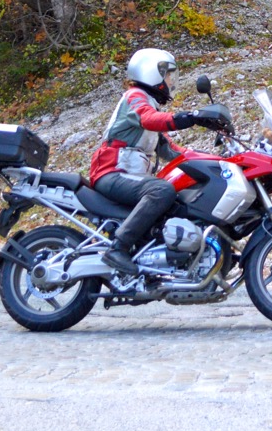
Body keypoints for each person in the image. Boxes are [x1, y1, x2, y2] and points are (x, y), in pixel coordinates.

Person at [88, 48, 225, 276]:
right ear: (152, 72)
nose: (171, 81)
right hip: (110, 171)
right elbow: (148, 119)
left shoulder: (149, 103)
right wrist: (189, 117)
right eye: (168, 75)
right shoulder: (135, 97)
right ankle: (118, 248)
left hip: (127, 175)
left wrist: (213, 161)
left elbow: (170, 149)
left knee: (178, 201)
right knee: (161, 190)